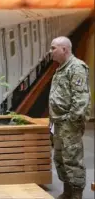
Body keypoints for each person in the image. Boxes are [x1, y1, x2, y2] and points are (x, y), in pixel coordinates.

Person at [49, 36, 92, 199]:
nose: (51, 51)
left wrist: (71, 121)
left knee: (72, 159)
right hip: (58, 122)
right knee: (60, 158)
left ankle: (76, 194)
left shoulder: (77, 68)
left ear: (64, 49)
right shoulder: (61, 68)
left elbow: (81, 100)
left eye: (53, 48)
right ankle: (67, 191)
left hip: (69, 123)